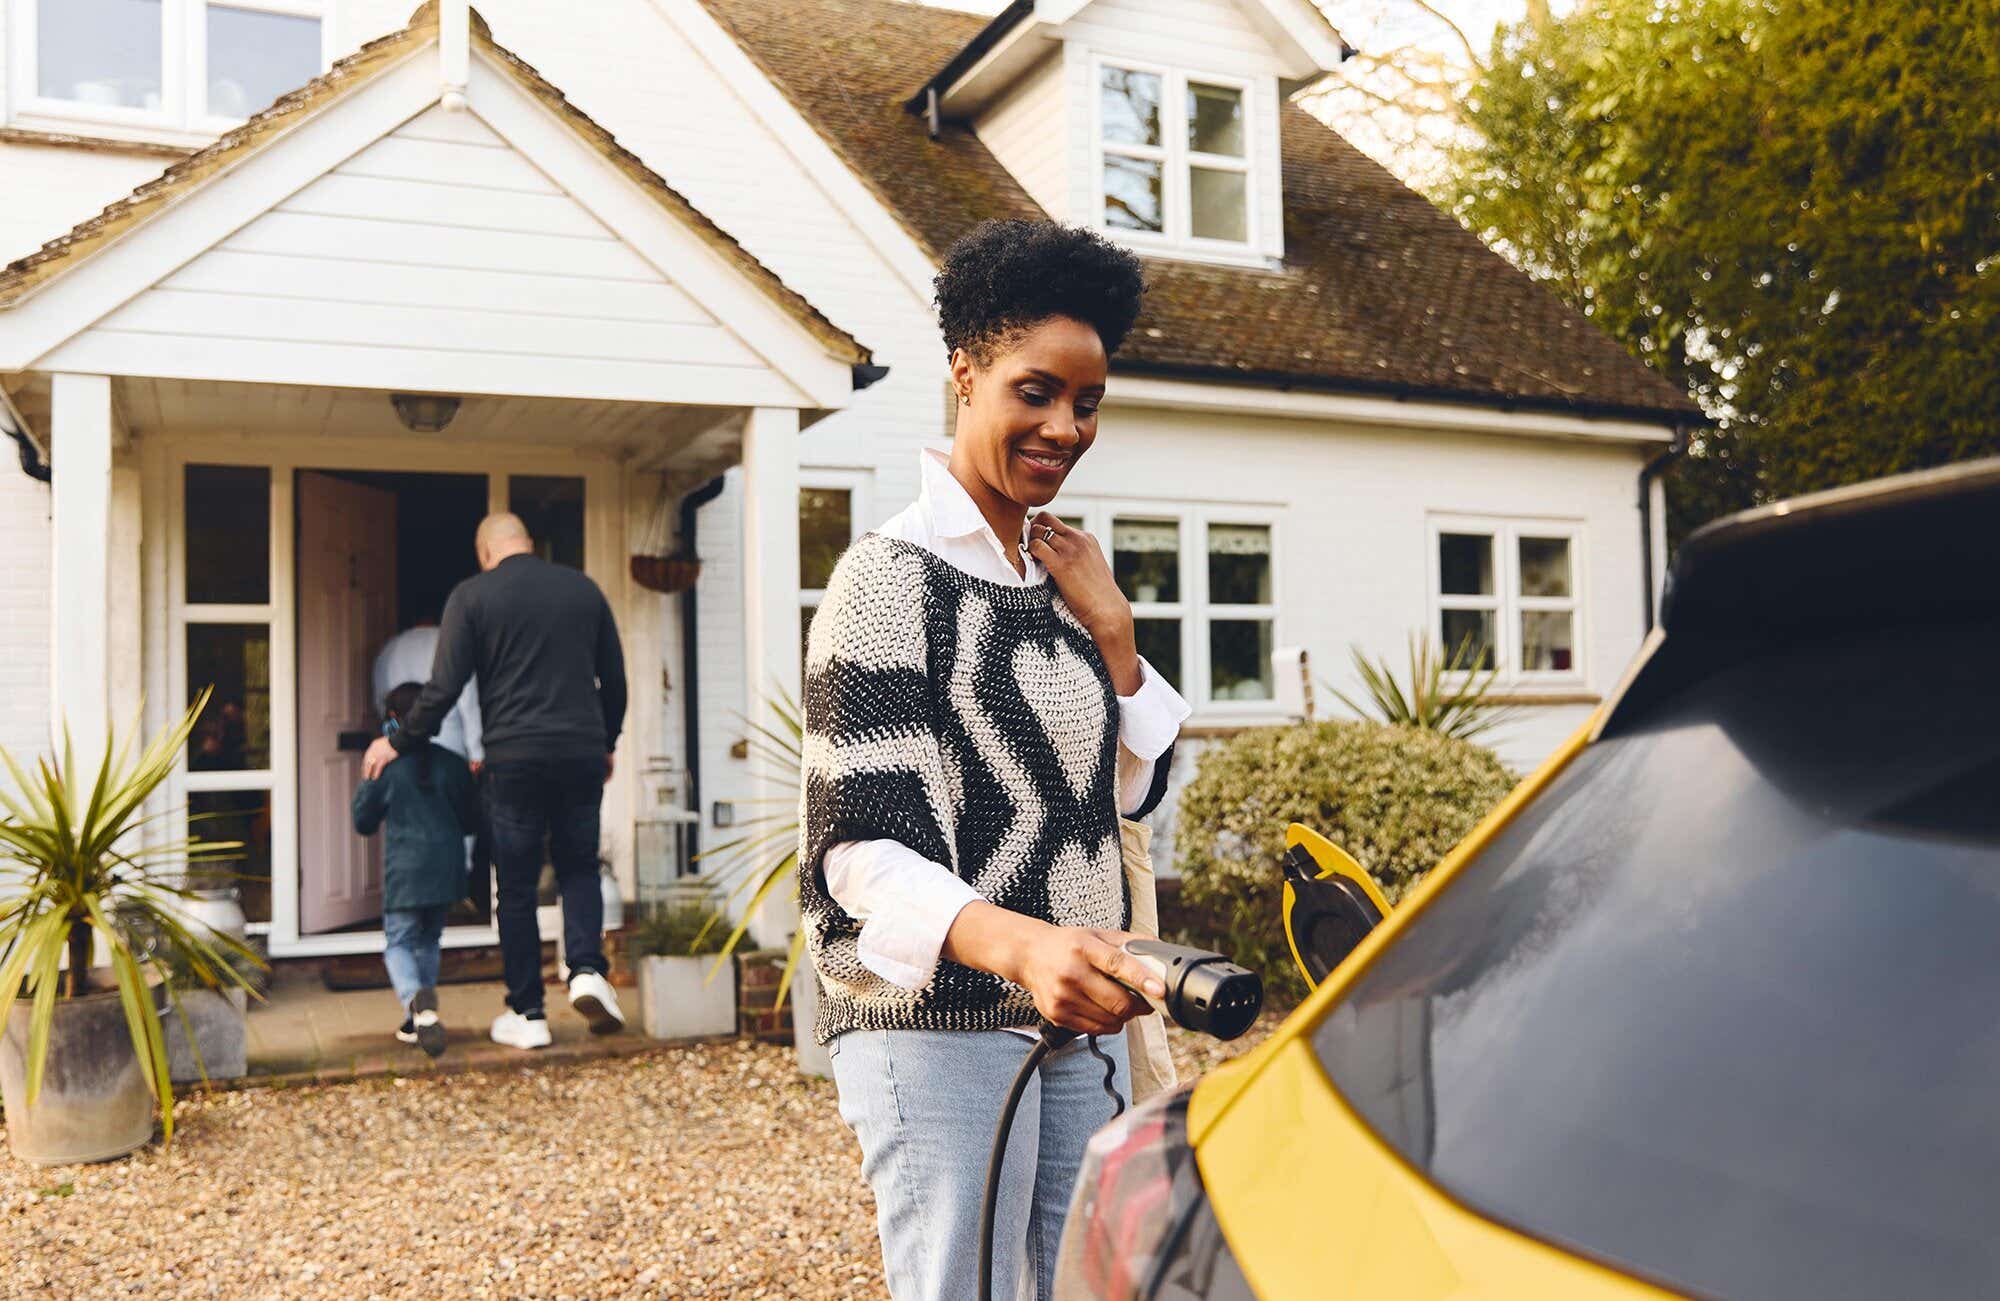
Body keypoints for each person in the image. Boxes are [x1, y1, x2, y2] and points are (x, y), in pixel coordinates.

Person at [799, 220, 1189, 1301]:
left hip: (1080, 1008)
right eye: (1035, 391)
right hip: (938, 1025)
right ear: (963, 373)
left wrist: (1113, 633)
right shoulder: (889, 577)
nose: (1064, 426)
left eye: (1087, 401)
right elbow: (858, 850)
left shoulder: (1061, 577)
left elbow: (1120, 797)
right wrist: (1025, 949)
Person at [363, 512, 629, 1051]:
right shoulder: (583, 590)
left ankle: (528, 1012)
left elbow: (441, 689)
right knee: (579, 865)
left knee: (516, 885)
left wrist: (398, 740)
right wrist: (607, 742)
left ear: (486, 551)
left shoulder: (473, 596)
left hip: (514, 757)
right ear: (527, 543)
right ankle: (585, 971)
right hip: (580, 750)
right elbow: (615, 680)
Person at [351, 682, 479, 1059]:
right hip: (447, 867)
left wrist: (368, 780)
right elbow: (472, 820)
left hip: (405, 869)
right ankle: (418, 1020)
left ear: (393, 720)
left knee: (399, 942)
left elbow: (363, 821)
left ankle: (414, 1000)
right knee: (428, 940)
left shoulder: (385, 766)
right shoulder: (453, 764)